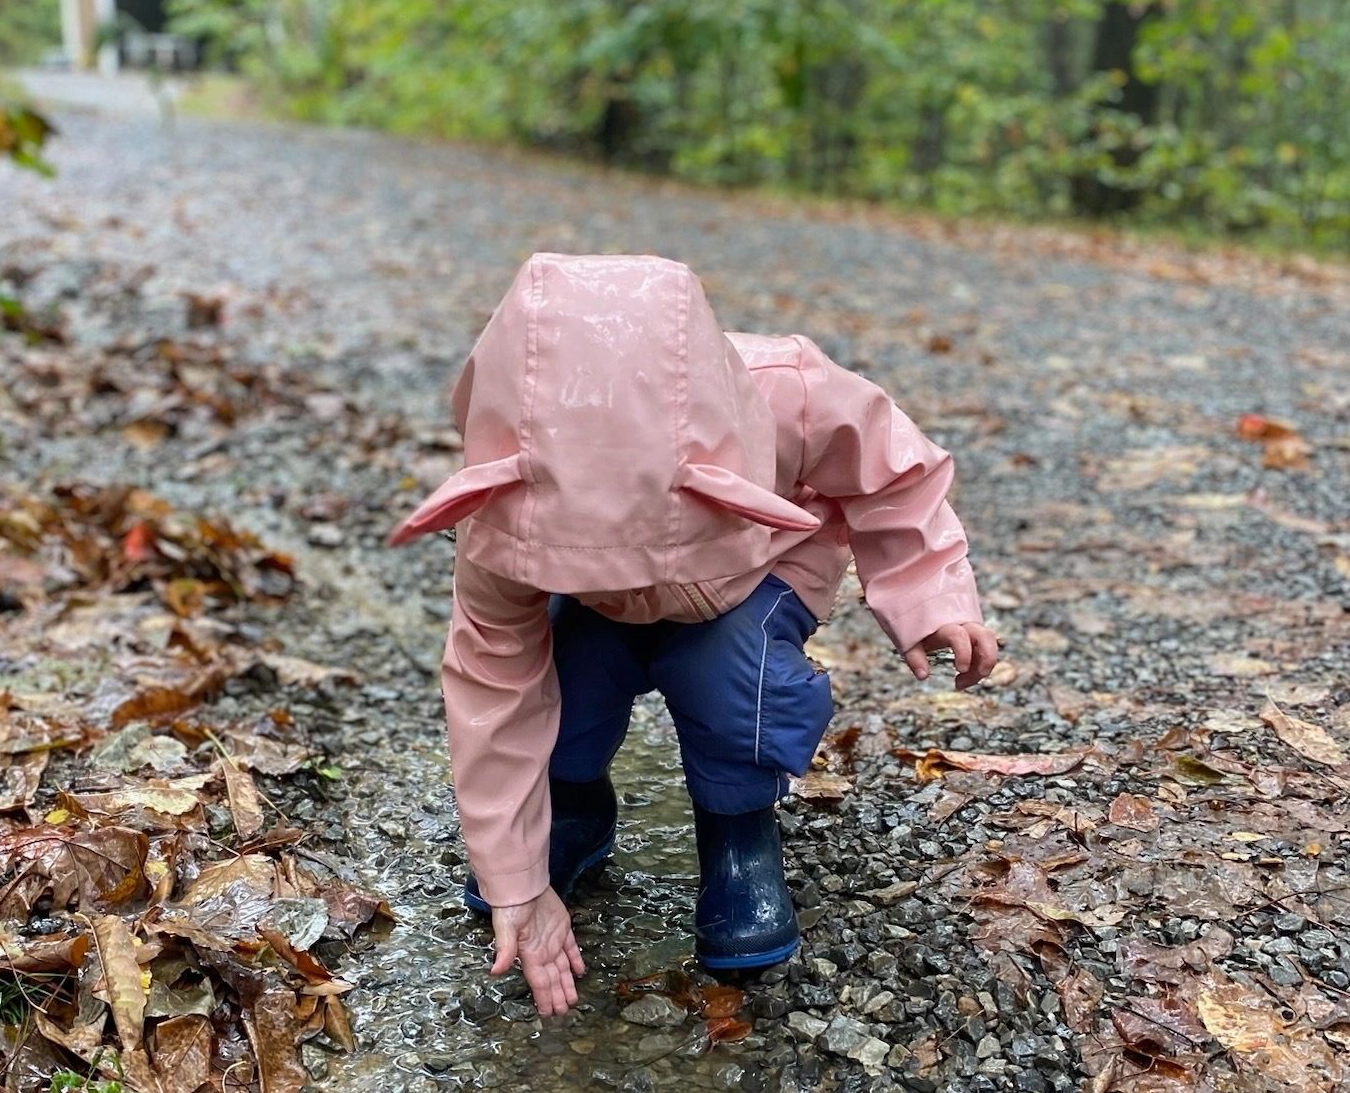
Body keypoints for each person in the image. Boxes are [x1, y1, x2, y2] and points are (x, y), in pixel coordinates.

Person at [390, 252, 999, 1016]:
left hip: (753, 573)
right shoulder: (507, 511)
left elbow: (894, 475)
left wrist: (927, 591)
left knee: (732, 672)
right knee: (562, 667)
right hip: (585, 602)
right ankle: (571, 803)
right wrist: (516, 880)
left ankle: (737, 826)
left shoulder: (788, 390)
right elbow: (493, 684)